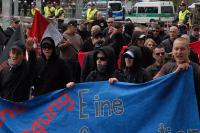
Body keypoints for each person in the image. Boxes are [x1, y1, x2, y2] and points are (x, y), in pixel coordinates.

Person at [154, 37, 200, 116]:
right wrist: (175, 73)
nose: (179, 52)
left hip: (191, 114)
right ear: (172, 51)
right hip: (171, 112)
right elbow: (154, 84)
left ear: (189, 51)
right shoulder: (167, 67)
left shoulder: (196, 69)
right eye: (176, 49)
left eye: (182, 49)